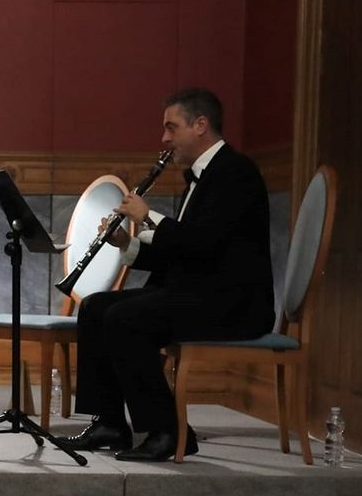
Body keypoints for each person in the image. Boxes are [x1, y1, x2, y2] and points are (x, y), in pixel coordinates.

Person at [63, 88, 275, 461]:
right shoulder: (200, 177)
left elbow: (203, 244)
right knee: (95, 308)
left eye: (170, 128)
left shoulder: (236, 172)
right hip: (198, 293)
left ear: (200, 125)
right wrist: (122, 244)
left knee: (127, 318)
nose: (164, 138)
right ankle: (110, 422)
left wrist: (148, 216)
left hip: (233, 304)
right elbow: (179, 252)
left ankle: (167, 430)